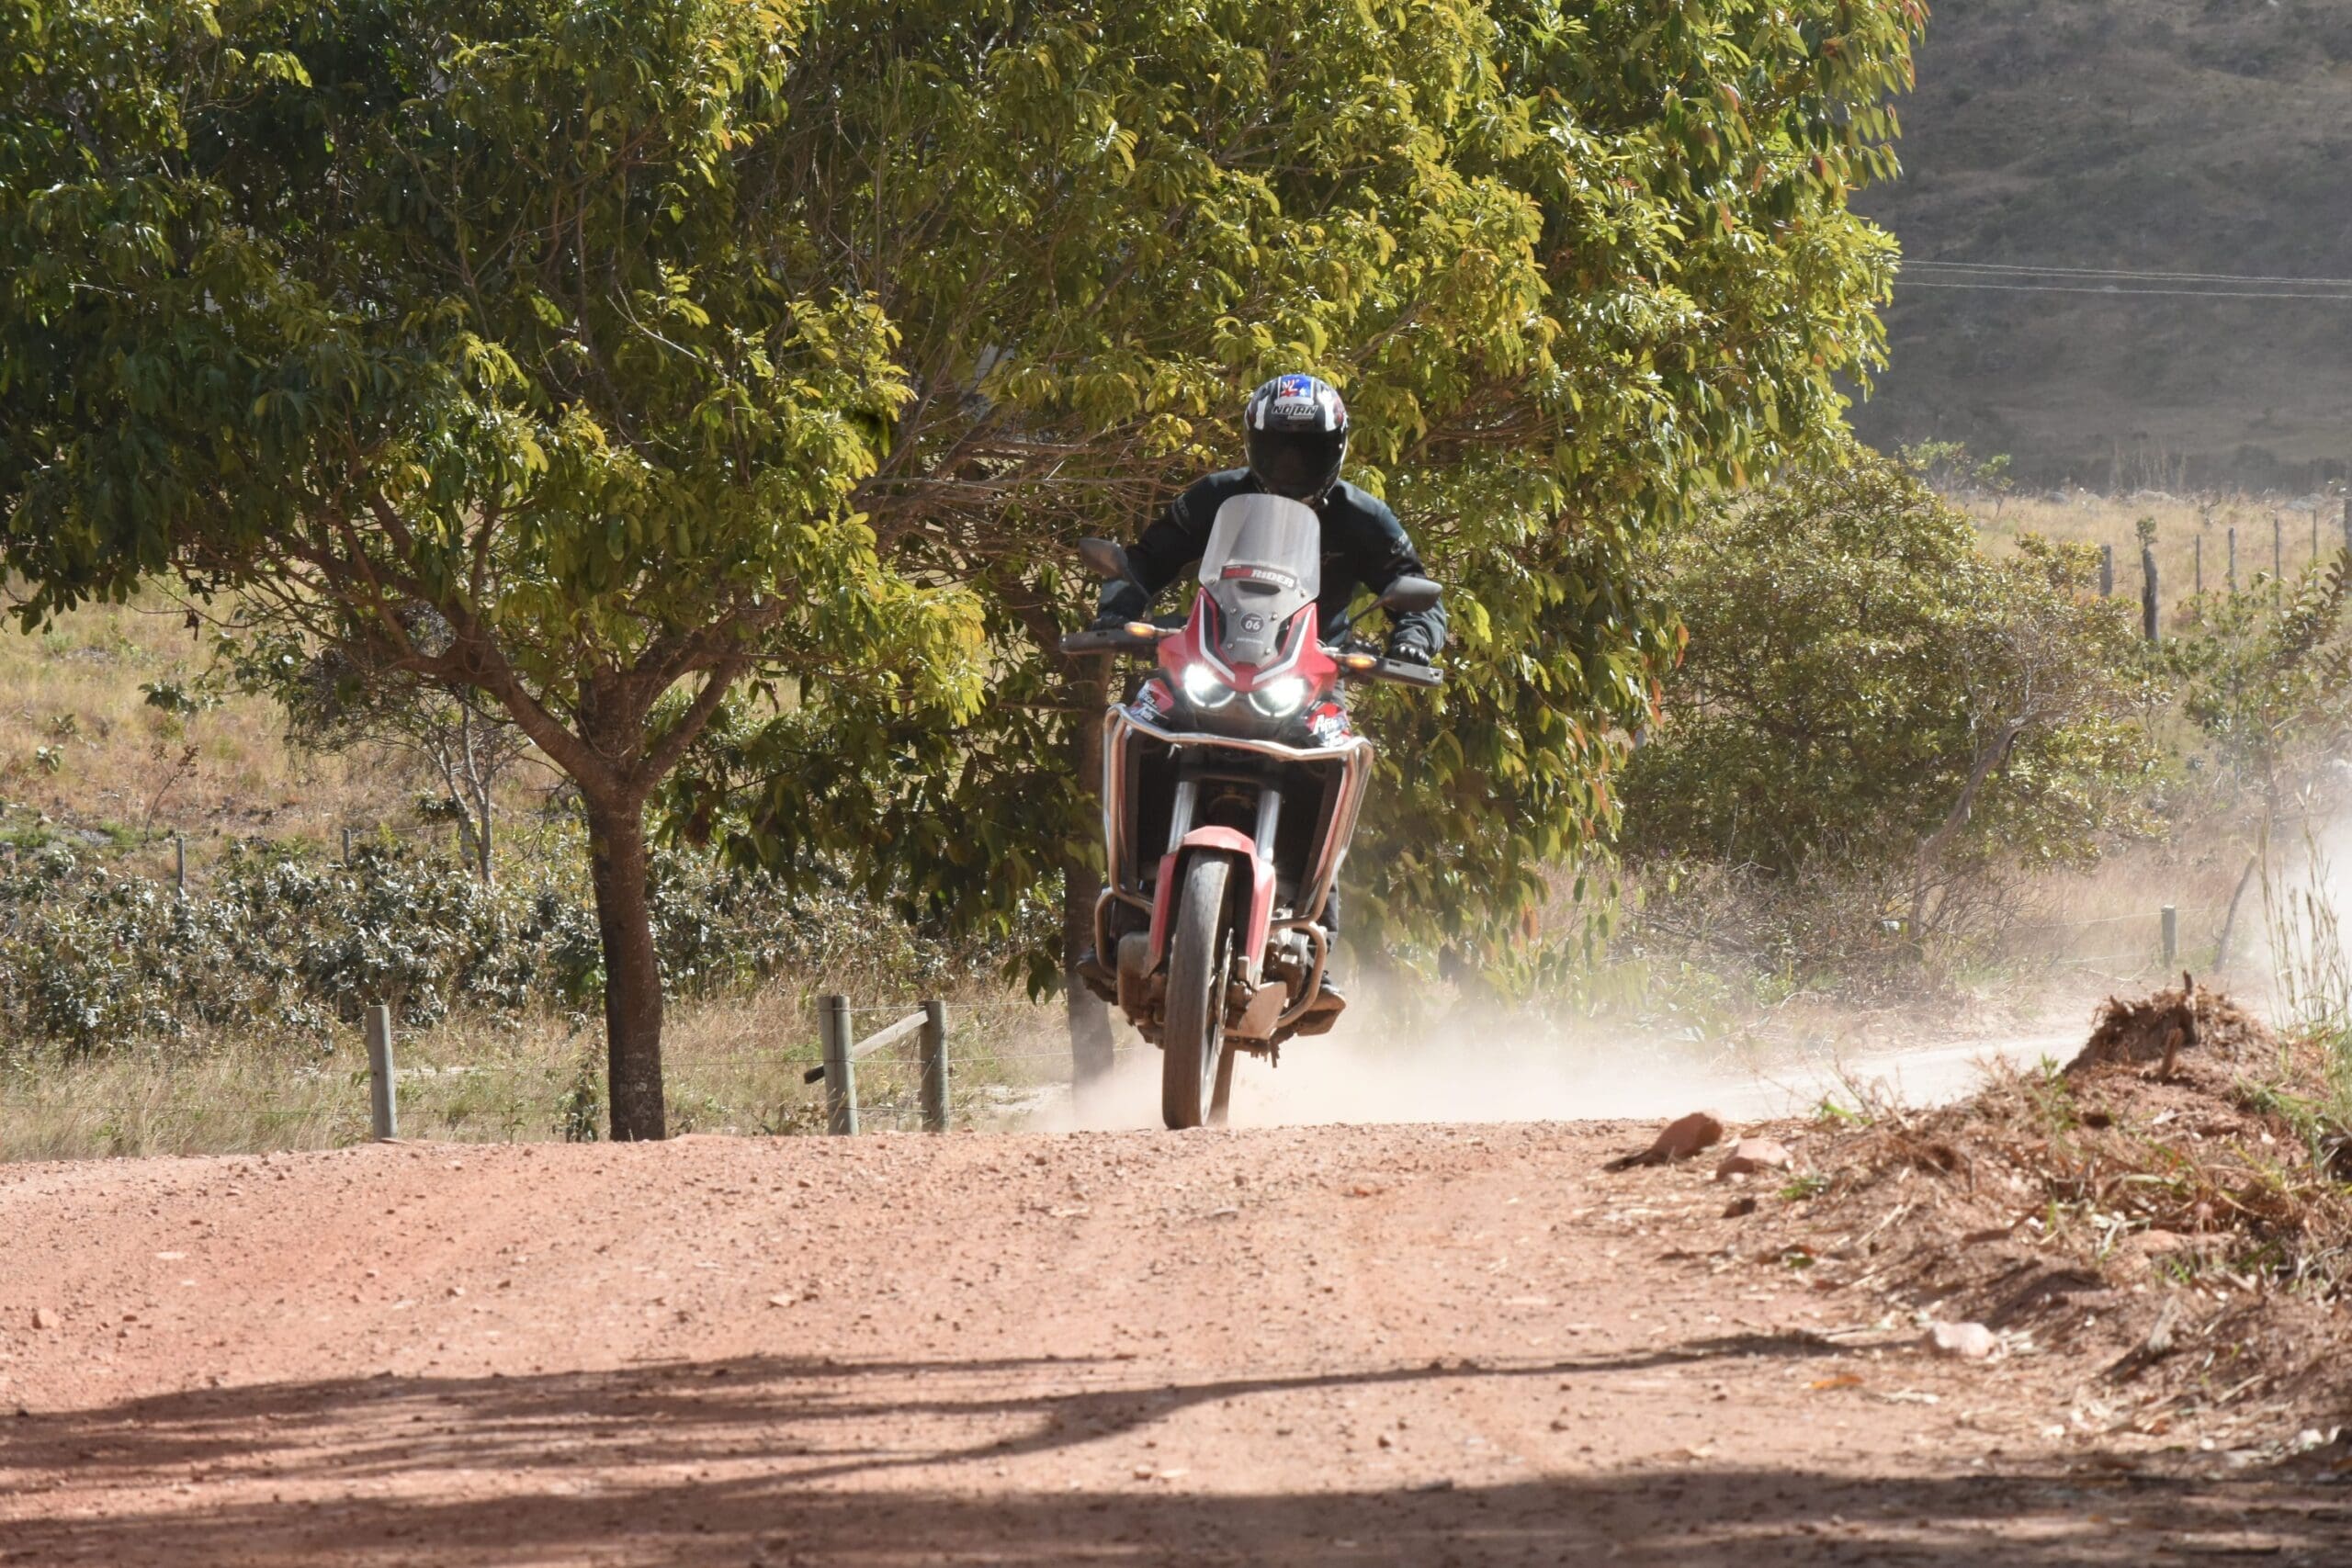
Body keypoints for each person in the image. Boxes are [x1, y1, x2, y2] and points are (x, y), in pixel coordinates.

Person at [1088, 373, 1448, 1026]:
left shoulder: (1362, 516)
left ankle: (1317, 941)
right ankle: (1119, 910)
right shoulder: (1216, 497)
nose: (1289, 463)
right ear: (1255, 443)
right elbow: (1148, 558)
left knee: (1336, 759)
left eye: (1304, 450)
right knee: (1137, 724)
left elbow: (1411, 583)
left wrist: (1415, 640)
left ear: (1334, 449)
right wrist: (1119, 604)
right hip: (1212, 664)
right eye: (1278, 447)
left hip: (1304, 680)